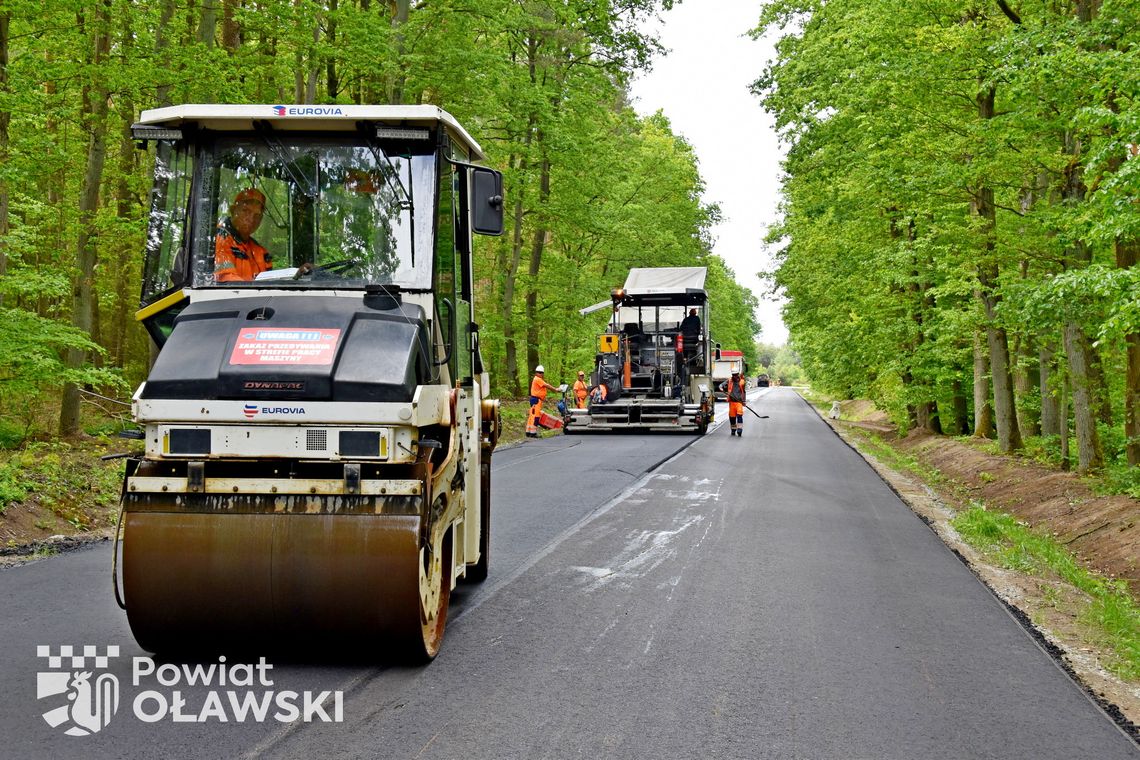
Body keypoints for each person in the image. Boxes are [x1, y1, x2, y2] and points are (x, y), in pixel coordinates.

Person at [215, 188, 272, 282]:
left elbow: (271, 282)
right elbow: (225, 279)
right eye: (246, 211)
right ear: (233, 211)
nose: (251, 219)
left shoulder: (261, 252)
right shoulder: (218, 240)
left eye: (257, 215)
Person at [526, 364, 560, 438]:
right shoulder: (538, 379)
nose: (540, 374)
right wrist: (555, 389)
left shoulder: (537, 379)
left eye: (541, 373)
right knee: (536, 417)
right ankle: (533, 433)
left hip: (535, 399)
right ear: (536, 373)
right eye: (539, 372)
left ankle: (528, 432)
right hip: (536, 400)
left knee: (532, 416)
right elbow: (546, 385)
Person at [721, 369, 747, 437]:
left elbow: (744, 392)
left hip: (739, 402)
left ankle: (739, 430)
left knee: (739, 416)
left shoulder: (742, 382)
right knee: (732, 417)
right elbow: (721, 385)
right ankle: (733, 429)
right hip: (732, 402)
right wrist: (721, 387)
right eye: (733, 375)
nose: (734, 376)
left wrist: (744, 401)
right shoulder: (729, 380)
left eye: (735, 375)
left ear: (738, 374)